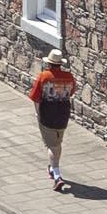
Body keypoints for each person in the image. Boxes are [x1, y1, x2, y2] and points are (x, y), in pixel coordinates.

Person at [30, 50, 78, 191]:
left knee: (52, 145)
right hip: (63, 113)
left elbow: (36, 97)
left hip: (48, 113)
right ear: (60, 64)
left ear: (49, 64)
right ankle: (52, 168)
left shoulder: (44, 76)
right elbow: (71, 92)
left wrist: (38, 113)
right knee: (57, 141)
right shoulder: (69, 77)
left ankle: (57, 175)